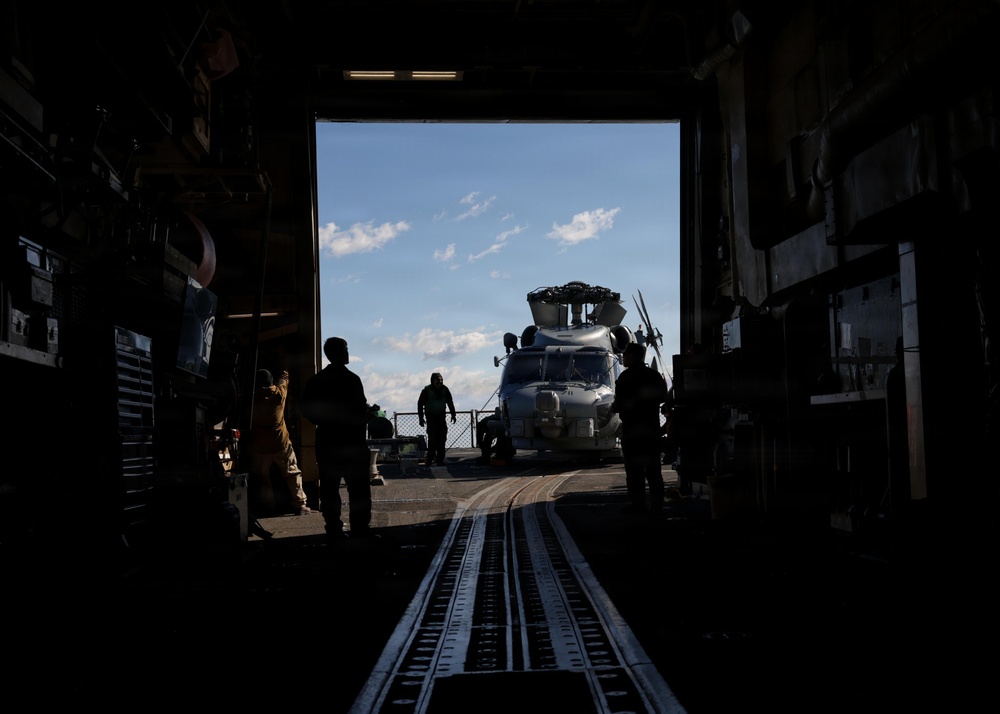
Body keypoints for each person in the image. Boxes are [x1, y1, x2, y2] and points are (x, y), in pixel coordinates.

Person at [300, 337, 375, 540]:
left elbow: (306, 409)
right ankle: (360, 529)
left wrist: (325, 419)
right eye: (346, 349)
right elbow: (360, 411)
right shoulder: (352, 380)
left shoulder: (316, 381)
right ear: (341, 353)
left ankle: (334, 529)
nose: (347, 352)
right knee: (358, 488)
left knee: (330, 488)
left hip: (327, 441)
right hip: (352, 442)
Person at [612, 342, 669, 514]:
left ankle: (638, 505)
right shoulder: (654, 376)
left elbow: (619, 405)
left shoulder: (625, 378)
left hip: (632, 432)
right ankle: (657, 506)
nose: (623, 357)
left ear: (633, 356)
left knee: (634, 472)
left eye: (626, 354)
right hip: (651, 430)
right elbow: (662, 397)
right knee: (654, 472)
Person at [249, 368, 310, 516]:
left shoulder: (251, 398)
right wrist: (284, 368)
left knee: (263, 477)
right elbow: (284, 379)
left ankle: (268, 506)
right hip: (280, 443)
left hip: (259, 446)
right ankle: (300, 504)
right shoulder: (279, 394)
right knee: (292, 473)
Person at [417, 372, 456, 466]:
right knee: (432, 439)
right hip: (430, 417)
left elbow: (450, 402)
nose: (440, 383)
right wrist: (421, 418)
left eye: (441, 381)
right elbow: (420, 404)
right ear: (433, 381)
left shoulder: (445, 389)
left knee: (442, 438)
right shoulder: (426, 390)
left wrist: (453, 414)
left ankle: (440, 459)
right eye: (437, 382)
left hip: (441, 416)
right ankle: (430, 459)